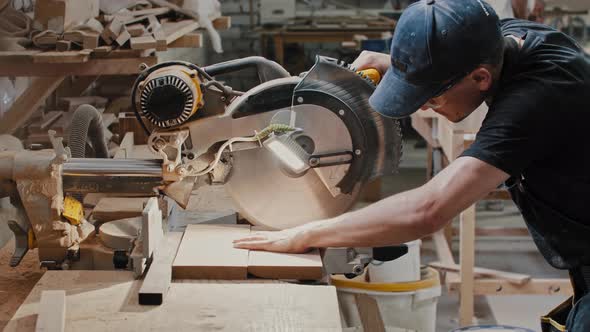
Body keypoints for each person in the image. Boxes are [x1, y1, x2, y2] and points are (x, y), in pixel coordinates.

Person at [234, 0, 590, 329]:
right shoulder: (502, 38)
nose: (421, 107)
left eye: (431, 97)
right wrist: (401, 68)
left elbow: (428, 210)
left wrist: (307, 233)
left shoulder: (535, 99)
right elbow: (456, 54)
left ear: (481, 78)